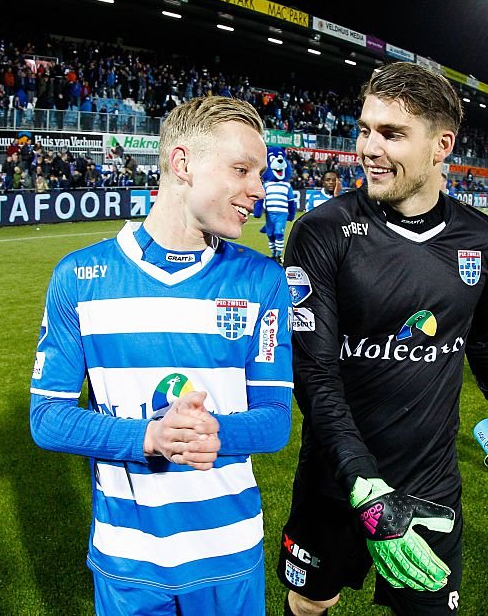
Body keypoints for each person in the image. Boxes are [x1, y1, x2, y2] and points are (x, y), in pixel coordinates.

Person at [276, 62, 488, 616]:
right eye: (365, 129)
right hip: (339, 480)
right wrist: (365, 486)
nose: (368, 147)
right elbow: (313, 374)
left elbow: (484, 334)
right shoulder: (322, 231)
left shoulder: (484, 239)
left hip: (428, 486)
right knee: (310, 603)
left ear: (442, 145)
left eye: (391, 134)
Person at [29, 96, 293, 615]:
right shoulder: (80, 278)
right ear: (181, 164)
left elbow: (276, 421)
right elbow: (46, 419)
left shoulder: (262, 280)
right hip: (127, 563)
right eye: (242, 170)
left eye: (259, 174)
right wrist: (148, 437)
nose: (258, 191)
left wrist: (214, 432)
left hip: (230, 555)